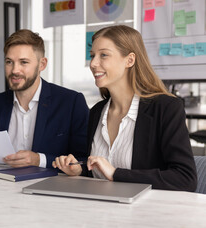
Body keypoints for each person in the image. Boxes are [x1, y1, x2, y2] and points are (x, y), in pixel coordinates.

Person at [53, 25, 197, 191]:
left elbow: (185, 178)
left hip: (146, 212)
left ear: (130, 60)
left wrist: (116, 174)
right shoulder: (97, 112)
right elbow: (101, 171)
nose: (93, 63)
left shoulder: (166, 108)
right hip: (98, 208)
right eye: (92, 55)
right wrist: (80, 169)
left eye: (104, 55)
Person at [0, 29, 89, 168]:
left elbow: (84, 161)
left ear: (42, 64)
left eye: (24, 62)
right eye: (9, 62)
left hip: (49, 189)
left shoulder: (71, 103)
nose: (15, 70)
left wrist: (39, 160)